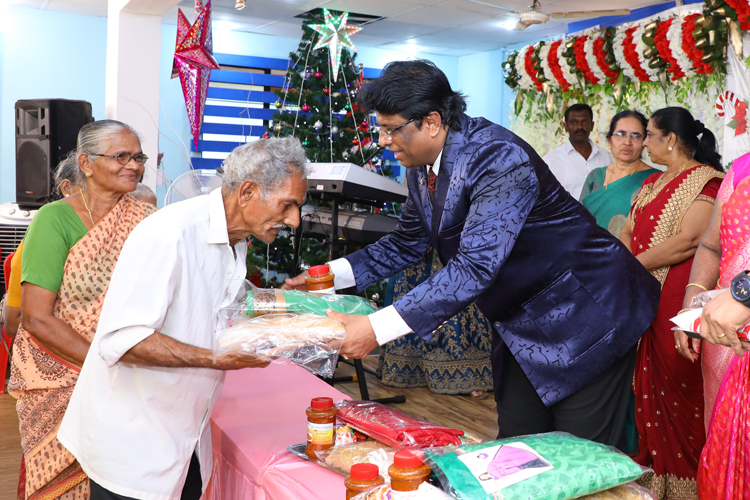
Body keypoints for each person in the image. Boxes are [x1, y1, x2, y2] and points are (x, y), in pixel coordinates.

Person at [284, 60, 660, 448]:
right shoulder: (420, 164)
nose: (382, 140)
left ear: (431, 122)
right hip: (521, 324)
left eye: (390, 129)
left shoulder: (498, 158)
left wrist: (376, 329)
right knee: (518, 446)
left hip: (586, 315)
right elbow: (408, 241)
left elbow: (474, 266)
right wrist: (324, 277)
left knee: (579, 456)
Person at [57, 137, 307, 500]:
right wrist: (216, 359)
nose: (294, 220)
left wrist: (302, 315)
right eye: (288, 205)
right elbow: (123, 339)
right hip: (133, 444)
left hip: (184, 435)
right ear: (248, 191)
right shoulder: (171, 233)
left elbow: (220, 308)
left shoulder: (234, 241)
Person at [8, 120, 158, 500]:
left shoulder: (144, 220)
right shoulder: (54, 220)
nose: (134, 165)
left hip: (125, 371)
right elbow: (37, 317)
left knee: (116, 481)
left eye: (138, 156)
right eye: (121, 156)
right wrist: (102, 364)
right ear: (87, 164)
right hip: (62, 371)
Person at [619, 107, 724, 499]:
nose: (643, 143)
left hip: (680, 295)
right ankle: (659, 476)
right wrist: (627, 267)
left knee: (683, 384)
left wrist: (629, 266)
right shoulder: (651, 184)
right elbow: (628, 228)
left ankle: (692, 482)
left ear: (671, 140)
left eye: (649, 135)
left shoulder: (708, 182)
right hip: (645, 292)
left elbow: (691, 240)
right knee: (650, 386)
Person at [673, 153, 750, 499]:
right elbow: (710, 244)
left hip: (737, 315)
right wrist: (693, 304)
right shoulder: (742, 168)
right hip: (722, 340)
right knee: (724, 454)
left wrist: (743, 296)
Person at [379, 247, 493, 397]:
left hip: (452, 236)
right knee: (415, 293)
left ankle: (468, 375)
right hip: (420, 234)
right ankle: (410, 368)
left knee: (455, 285)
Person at [3, 152, 86, 341]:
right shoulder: (48, 228)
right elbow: (15, 322)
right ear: (67, 187)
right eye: (89, 190)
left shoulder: (117, 229)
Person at [580, 110, 658, 237]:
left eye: (635, 136)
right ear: (609, 141)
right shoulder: (595, 176)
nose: (627, 142)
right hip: (589, 251)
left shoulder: (656, 179)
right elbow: (578, 220)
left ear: (645, 142)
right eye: (621, 134)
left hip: (631, 254)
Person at [542, 103, 612, 199]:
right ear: (566, 127)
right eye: (574, 123)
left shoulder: (605, 156)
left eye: (584, 122)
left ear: (592, 125)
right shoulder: (551, 160)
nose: (579, 127)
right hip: (569, 214)